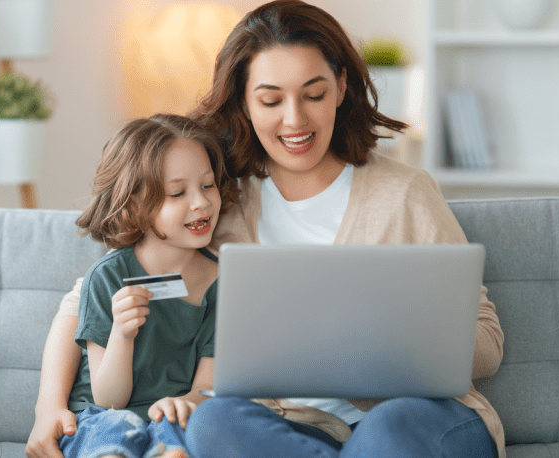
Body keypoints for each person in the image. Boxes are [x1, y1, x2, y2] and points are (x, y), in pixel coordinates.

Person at [26, 2, 505, 457]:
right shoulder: (216, 199)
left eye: (314, 95)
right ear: (244, 101)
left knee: (387, 428)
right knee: (214, 422)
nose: (295, 119)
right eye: (271, 100)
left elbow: (487, 340)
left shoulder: (404, 193)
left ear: (341, 87)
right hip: (288, 430)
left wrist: (387, 345)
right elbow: (88, 297)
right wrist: (49, 407)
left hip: (414, 419)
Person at [48, 114, 238, 458]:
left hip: (172, 415)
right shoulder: (107, 277)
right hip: (102, 417)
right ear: (136, 203)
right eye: (177, 193)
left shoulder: (223, 283)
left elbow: (205, 389)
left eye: (207, 185)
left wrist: (181, 404)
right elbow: (109, 399)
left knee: (184, 433)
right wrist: (122, 334)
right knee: (111, 433)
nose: (201, 202)